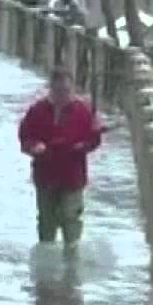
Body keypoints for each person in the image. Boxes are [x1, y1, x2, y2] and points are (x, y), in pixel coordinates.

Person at [18, 67, 103, 247]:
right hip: (45, 174)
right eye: (58, 91)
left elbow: (94, 138)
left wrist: (83, 146)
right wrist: (34, 147)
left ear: (72, 89)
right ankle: (46, 257)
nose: (62, 95)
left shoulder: (83, 111)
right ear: (51, 89)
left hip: (72, 175)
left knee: (70, 217)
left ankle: (72, 255)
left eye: (66, 91)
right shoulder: (37, 111)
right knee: (46, 221)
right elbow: (25, 137)